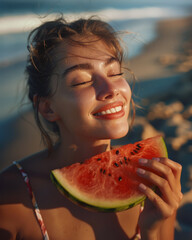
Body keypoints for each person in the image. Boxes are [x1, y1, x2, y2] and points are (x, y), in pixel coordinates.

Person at [0, 16, 182, 240]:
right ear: (47, 108)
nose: (110, 89)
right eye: (81, 81)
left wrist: (152, 232)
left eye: (114, 73)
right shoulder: (9, 197)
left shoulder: (151, 180)